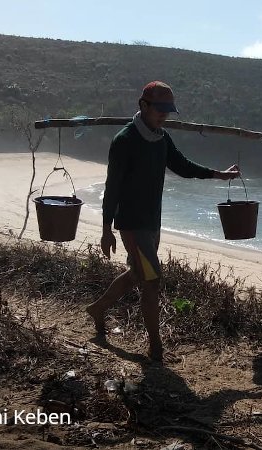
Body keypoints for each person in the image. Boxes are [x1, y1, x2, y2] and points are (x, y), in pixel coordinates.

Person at [86, 81, 240, 362]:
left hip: (153, 221)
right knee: (152, 281)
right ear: (143, 105)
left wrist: (218, 175)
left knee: (138, 274)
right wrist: (106, 230)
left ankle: (97, 308)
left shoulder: (162, 138)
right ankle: (156, 348)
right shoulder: (125, 140)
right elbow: (113, 188)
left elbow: (183, 166)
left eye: (167, 111)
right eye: (159, 110)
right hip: (132, 225)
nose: (163, 116)